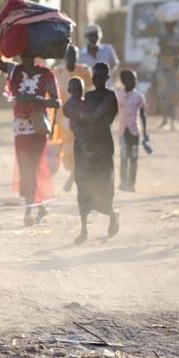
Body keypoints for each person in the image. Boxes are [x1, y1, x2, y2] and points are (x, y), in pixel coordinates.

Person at [0, 47, 60, 226]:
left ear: (34, 55)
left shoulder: (46, 74)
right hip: (20, 126)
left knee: (31, 165)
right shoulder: (14, 70)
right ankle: (39, 203)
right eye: (22, 54)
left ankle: (29, 209)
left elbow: (56, 101)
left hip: (38, 125)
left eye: (28, 54)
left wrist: (35, 99)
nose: (24, 57)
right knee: (26, 166)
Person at [65, 63, 119, 244]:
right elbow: (69, 111)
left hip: (103, 146)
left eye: (101, 77)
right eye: (95, 77)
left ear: (107, 78)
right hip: (85, 147)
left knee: (103, 185)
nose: (97, 80)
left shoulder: (110, 97)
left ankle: (112, 214)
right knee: (83, 187)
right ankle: (84, 230)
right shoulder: (87, 96)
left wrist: (77, 115)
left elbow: (95, 115)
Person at [115, 69, 148, 192]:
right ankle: (123, 181)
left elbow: (143, 115)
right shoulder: (118, 95)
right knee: (124, 157)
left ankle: (131, 183)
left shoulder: (138, 96)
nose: (135, 82)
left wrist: (145, 133)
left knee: (133, 158)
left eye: (135, 79)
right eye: (132, 79)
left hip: (134, 132)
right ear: (124, 81)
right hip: (123, 131)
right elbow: (113, 112)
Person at [154, 20, 179, 130]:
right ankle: (165, 119)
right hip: (163, 67)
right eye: (167, 25)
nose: (168, 27)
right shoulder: (163, 37)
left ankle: (173, 119)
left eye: (170, 24)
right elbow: (160, 52)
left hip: (174, 67)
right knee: (163, 92)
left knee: (174, 92)